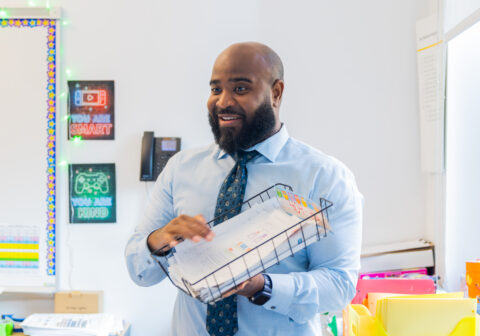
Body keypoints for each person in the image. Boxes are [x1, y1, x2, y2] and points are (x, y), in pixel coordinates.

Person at [125, 42, 363, 336]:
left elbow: (339, 285)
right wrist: (158, 240)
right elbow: (140, 272)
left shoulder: (324, 177)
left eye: (240, 89)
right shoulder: (180, 169)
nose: (223, 101)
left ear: (276, 93)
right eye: (215, 89)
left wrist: (263, 286)